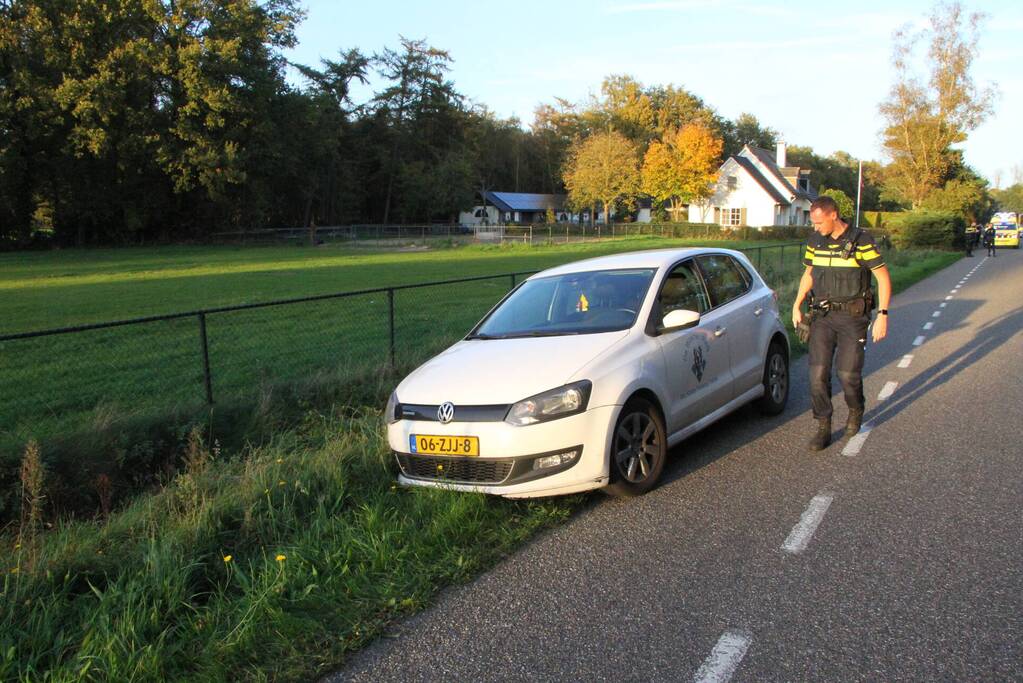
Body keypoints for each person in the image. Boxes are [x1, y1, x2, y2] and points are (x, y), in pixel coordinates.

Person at [792, 197, 892, 451]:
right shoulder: (815, 242)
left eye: (818, 222)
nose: (815, 228)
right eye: (812, 223)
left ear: (833, 215)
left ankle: (856, 408)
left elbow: (882, 277)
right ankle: (823, 425)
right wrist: (797, 304)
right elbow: (809, 274)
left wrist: (883, 314)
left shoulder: (861, 240)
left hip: (852, 317)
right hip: (822, 317)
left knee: (848, 374)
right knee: (817, 375)